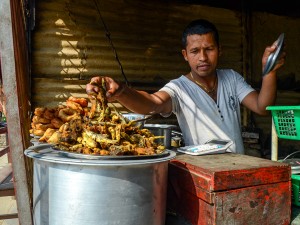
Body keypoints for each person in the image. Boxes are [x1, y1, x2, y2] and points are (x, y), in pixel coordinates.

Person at [86, 19, 285, 154]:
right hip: (204, 175)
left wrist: (269, 71)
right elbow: (153, 103)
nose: (203, 58)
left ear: (219, 50)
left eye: (209, 49)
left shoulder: (231, 78)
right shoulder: (179, 88)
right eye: (195, 51)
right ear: (185, 55)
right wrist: (121, 91)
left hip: (238, 168)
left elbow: (262, 107)